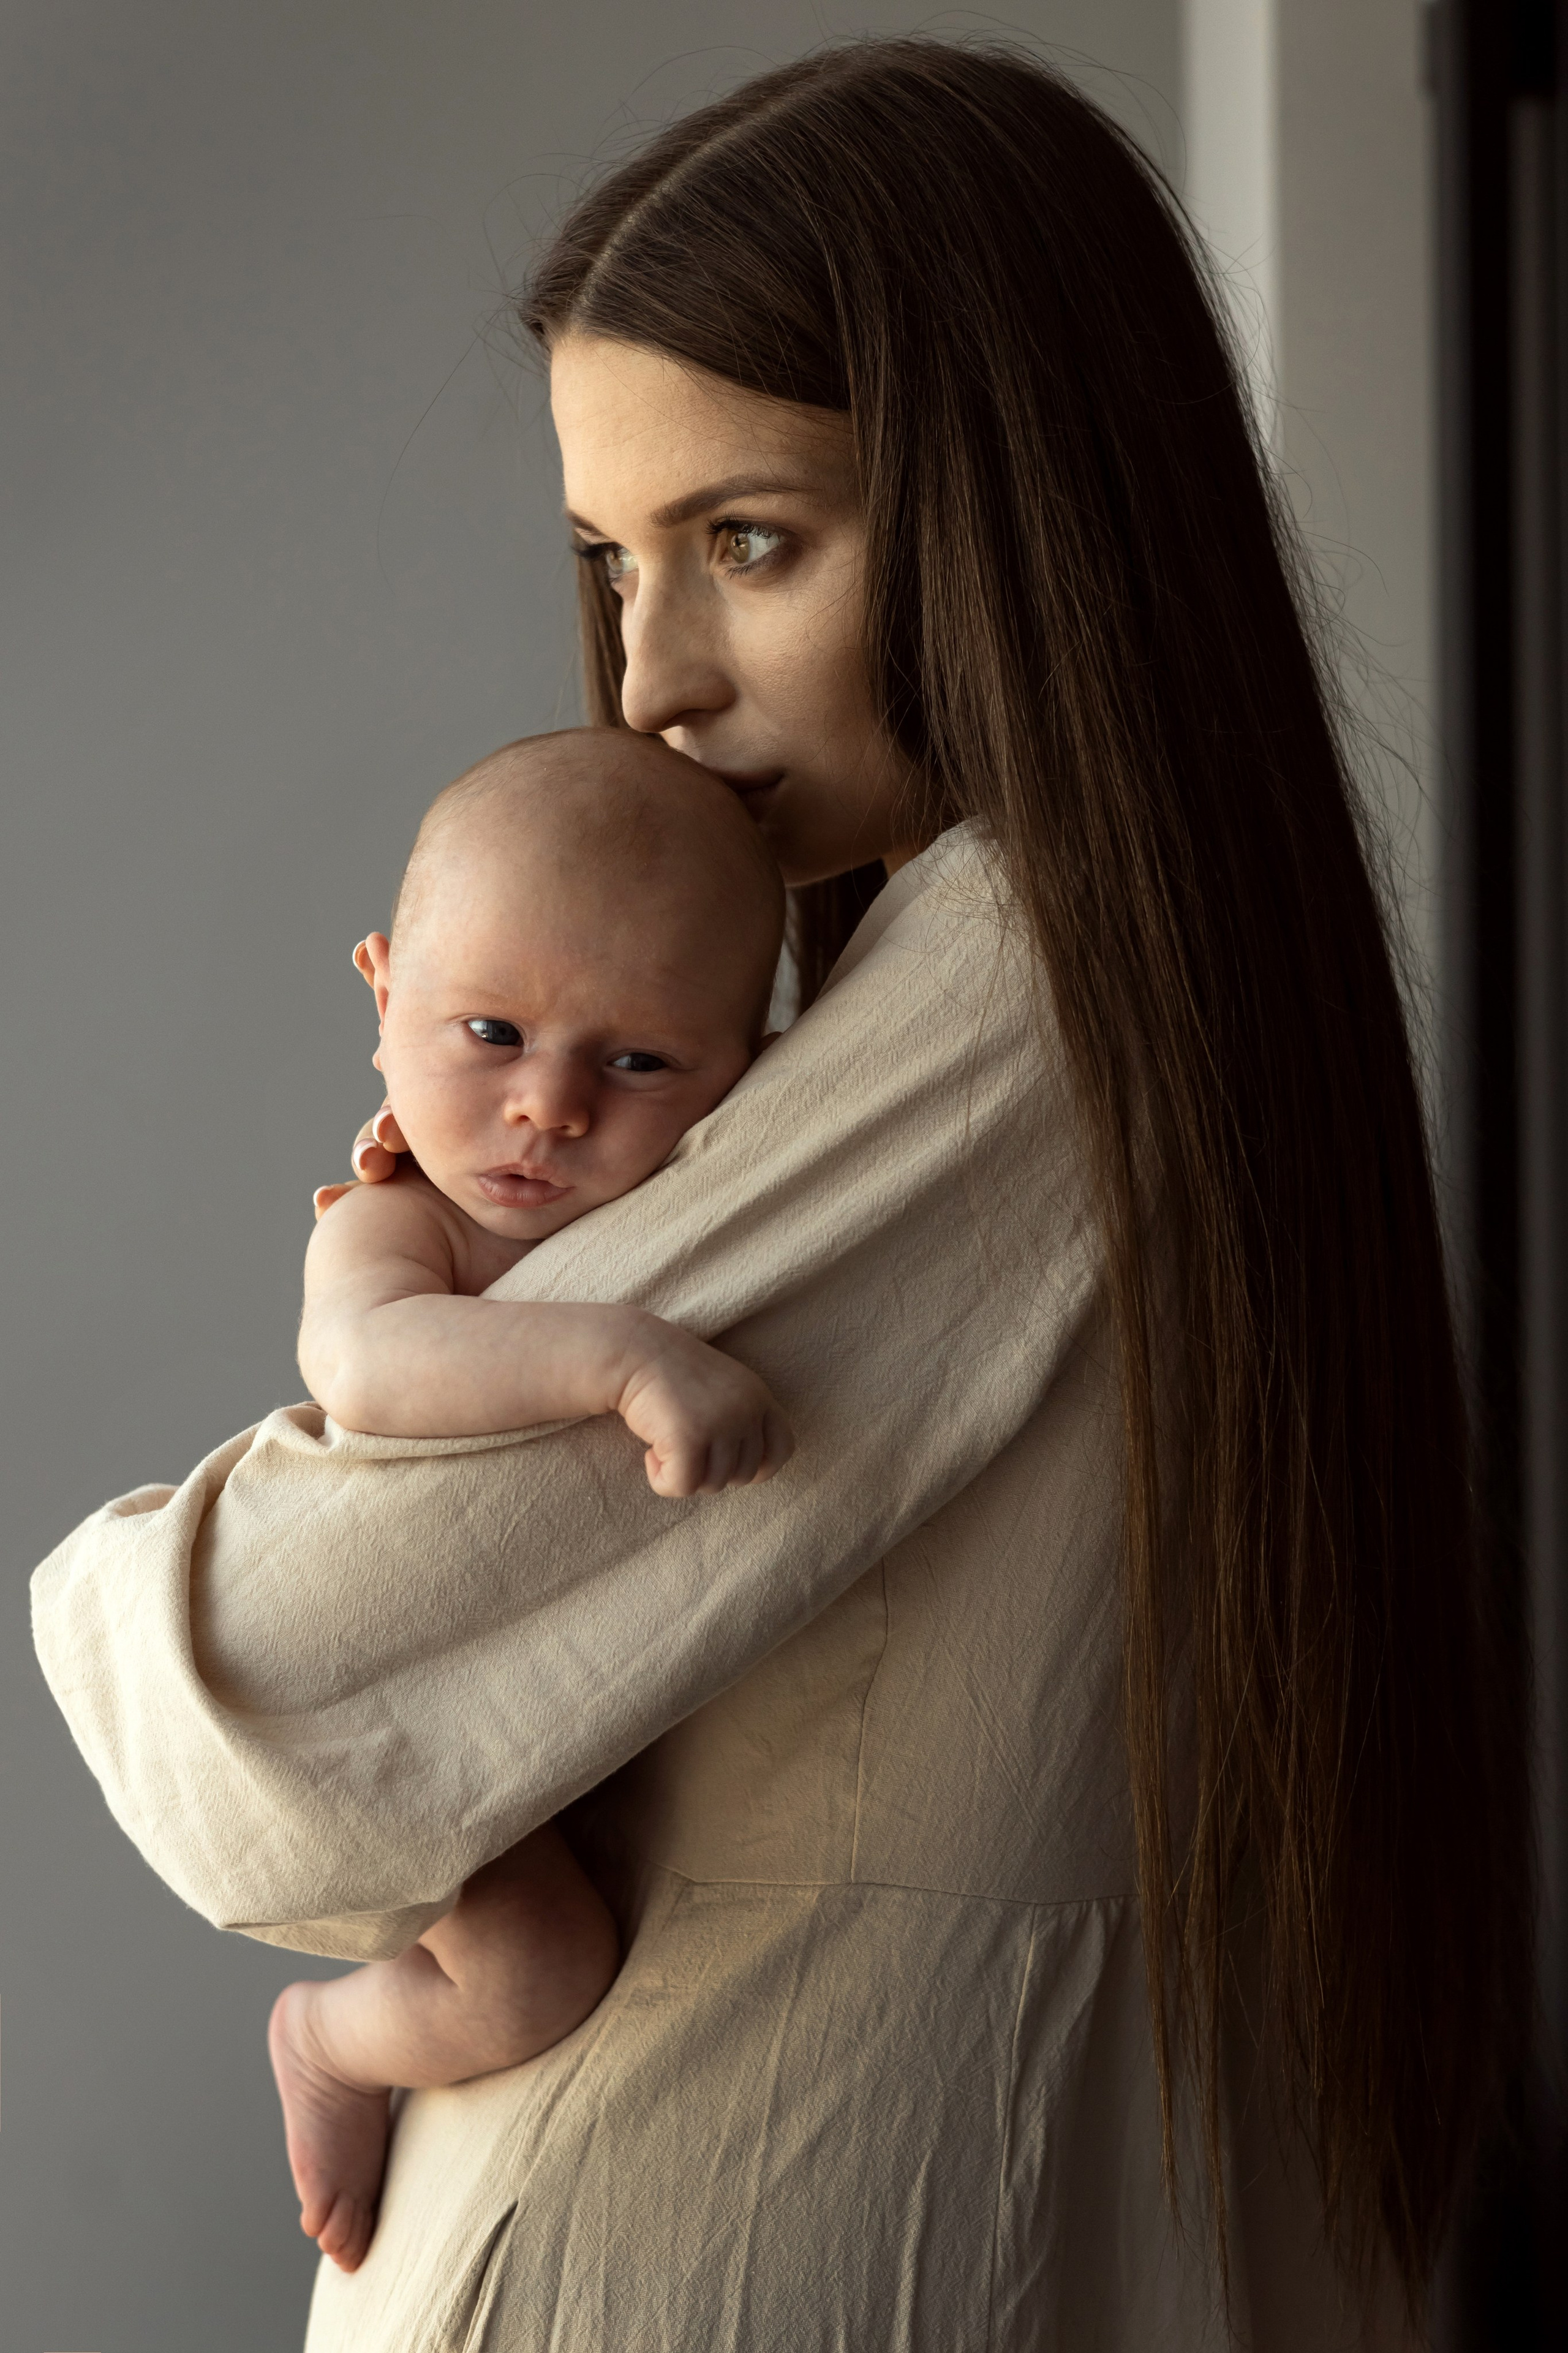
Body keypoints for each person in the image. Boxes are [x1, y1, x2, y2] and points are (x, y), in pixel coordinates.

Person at [31, 40, 1527, 2351]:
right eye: (611, 561)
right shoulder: (1171, 976)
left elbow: (289, 1684)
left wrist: (106, 1595)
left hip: (722, 2223)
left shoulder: (1023, 979)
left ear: (1031, 507)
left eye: (750, 542)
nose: (651, 686)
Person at [270, 730, 793, 2274]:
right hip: (403, 1696)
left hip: (574, 1702)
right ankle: (329, 2039)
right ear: (382, 994)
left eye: (638, 1062)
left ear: (743, 1076)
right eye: (487, 1029)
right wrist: (620, 1360)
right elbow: (366, 1369)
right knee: (537, 1969)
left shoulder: (720, 1203)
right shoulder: (393, 1224)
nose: (548, 1106)